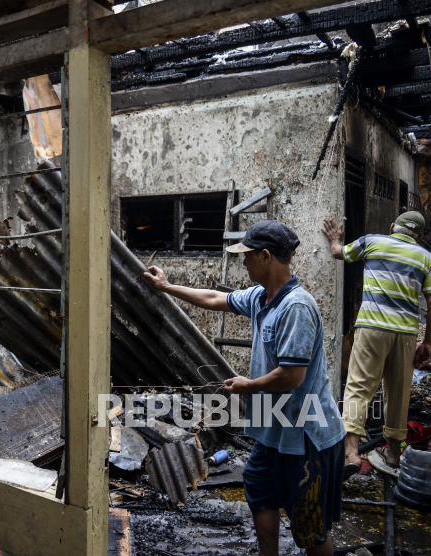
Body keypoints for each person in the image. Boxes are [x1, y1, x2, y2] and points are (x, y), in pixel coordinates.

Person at [143, 220, 345, 556]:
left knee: (310, 528)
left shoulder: (296, 307)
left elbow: (292, 376)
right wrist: (167, 287)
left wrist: (248, 385)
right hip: (273, 432)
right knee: (260, 493)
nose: (243, 262)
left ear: (265, 257)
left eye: (247, 256)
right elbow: (212, 298)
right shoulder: (260, 297)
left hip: (307, 438)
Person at [321, 211, 431, 477]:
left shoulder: (372, 242)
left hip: (372, 328)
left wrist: (334, 238)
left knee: (358, 387)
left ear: (392, 228)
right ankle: (393, 454)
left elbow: (338, 253)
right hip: (406, 334)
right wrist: (429, 343)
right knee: (398, 393)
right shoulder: (427, 259)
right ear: (419, 237)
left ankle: (352, 453)